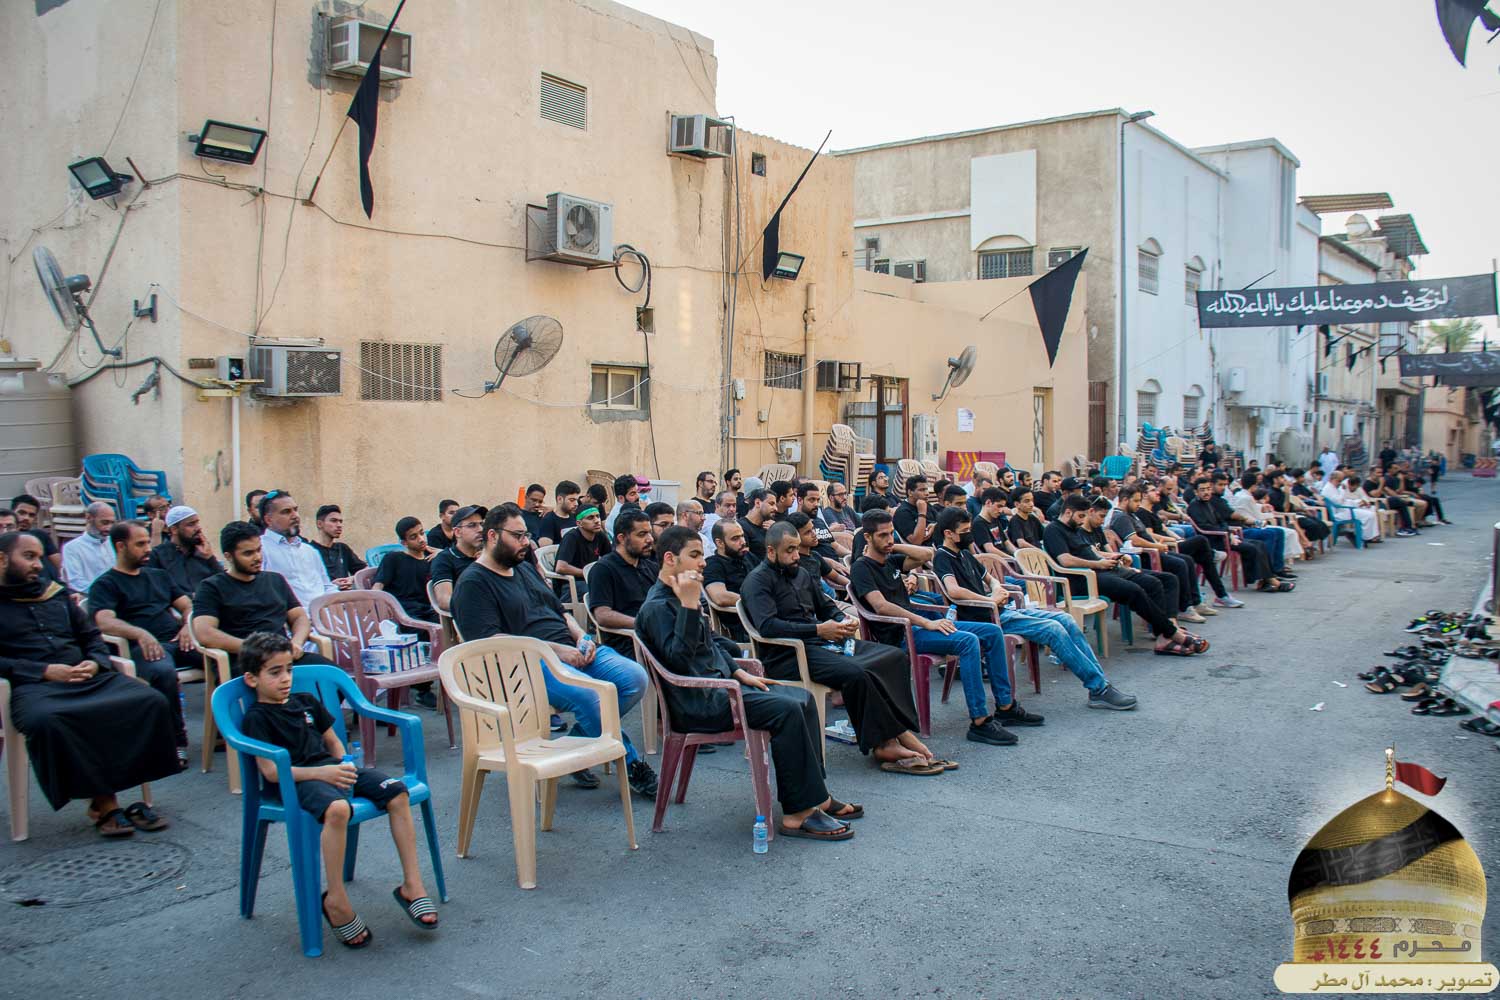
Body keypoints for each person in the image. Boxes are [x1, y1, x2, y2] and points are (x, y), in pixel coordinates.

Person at [637, 527, 857, 840]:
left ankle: (816, 796)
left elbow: (711, 642)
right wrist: (688, 607)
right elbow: (680, 662)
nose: (703, 562)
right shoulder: (658, 607)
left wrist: (737, 671)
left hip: (722, 687)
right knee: (786, 711)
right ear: (670, 559)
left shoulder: (681, 593)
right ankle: (797, 814)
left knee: (804, 699)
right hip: (699, 702)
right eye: (695, 555)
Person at [237, 632, 438, 945]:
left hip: (331, 769)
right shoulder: (257, 718)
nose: (285, 678)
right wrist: (325, 773)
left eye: (288, 669)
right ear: (252, 679)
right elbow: (271, 772)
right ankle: (336, 899)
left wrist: (343, 765)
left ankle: (412, 885)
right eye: (275, 673)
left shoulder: (305, 701)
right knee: (338, 809)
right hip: (297, 782)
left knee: (397, 791)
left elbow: (332, 740)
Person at [450, 504, 658, 797]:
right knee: (592, 696)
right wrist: (556, 652)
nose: (526, 542)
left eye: (526, 535)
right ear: (493, 536)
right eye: (518, 536)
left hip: (572, 649)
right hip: (525, 667)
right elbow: (491, 643)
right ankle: (632, 763)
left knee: (634, 678)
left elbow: (559, 610)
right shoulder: (473, 583)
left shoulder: (523, 569)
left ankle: (579, 742)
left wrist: (581, 635)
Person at [0, 530, 178, 835]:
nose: (38, 565)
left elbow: (92, 636)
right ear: (2, 560)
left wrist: (95, 661)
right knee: (48, 721)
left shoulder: (55, 594)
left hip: (88, 676)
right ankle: (104, 802)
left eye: (39, 557)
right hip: (35, 687)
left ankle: (121, 792)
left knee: (149, 701)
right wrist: (44, 671)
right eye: (28, 557)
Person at [741, 522, 944, 775]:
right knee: (857, 673)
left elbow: (825, 607)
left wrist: (842, 620)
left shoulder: (801, 573)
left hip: (821, 643)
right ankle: (886, 743)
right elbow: (768, 627)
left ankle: (897, 732)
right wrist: (818, 630)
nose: (795, 555)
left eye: (796, 548)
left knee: (892, 657)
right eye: (789, 550)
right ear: (771, 551)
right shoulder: (757, 581)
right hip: (788, 654)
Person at [853, 509, 1042, 747]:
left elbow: (926, 554)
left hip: (918, 627)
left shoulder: (891, 561)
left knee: (992, 632)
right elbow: (881, 607)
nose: (889, 539)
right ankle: (980, 722)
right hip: (901, 635)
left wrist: (893, 546)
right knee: (968, 641)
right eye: (883, 535)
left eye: (891, 533)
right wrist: (925, 622)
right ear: (867, 537)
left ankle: (1006, 707)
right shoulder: (861, 567)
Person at [930, 507, 1136, 710]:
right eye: (965, 531)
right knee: (1053, 630)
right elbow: (954, 590)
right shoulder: (942, 557)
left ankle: (1100, 686)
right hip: (985, 619)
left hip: (1002, 610)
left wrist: (997, 589)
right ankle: (1098, 688)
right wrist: (990, 599)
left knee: (1066, 619)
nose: (969, 535)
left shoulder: (965, 554)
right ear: (948, 533)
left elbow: (990, 579)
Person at [87, 519, 195, 766]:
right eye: (140, 544)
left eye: (148, 542)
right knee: (164, 674)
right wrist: (140, 633)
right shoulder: (106, 584)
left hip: (177, 641)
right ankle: (176, 742)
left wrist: (188, 625)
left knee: (228, 657)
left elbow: (187, 604)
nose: (148, 549)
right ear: (120, 546)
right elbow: (103, 621)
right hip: (141, 648)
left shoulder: (158, 576)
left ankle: (225, 731)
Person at [1044, 495, 1208, 655]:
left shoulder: (1075, 529)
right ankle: (1173, 634)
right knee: (1134, 590)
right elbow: (1065, 560)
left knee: (1156, 582)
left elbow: (1092, 552)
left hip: (1103, 570)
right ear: (1068, 512)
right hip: (1084, 579)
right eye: (1080, 516)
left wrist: (1113, 557)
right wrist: (1099, 564)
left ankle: (1164, 635)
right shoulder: (1053, 530)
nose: (1082, 521)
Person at [193, 521, 336, 675]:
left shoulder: (275, 580)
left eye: (259, 550)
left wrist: (296, 643)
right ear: (229, 556)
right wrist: (253, 649)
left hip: (284, 657)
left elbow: (299, 618)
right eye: (248, 553)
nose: (257, 557)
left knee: (335, 676)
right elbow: (205, 633)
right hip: (245, 662)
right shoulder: (211, 587)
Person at [1108, 487, 1205, 622]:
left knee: (1187, 560)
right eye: (1136, 501)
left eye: (1139, 500)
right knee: (1180, 564)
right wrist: (1156, 546)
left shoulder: (1131, 514)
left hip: (1151, 552)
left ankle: (1193, 602)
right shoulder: (1121, 517)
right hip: (1144, 556)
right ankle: (1184, 608)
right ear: (1125, 500)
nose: (1139, 504)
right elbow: (1134, 540)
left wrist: (1160, 543)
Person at [1190, 478, 1290, 591]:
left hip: (1224, 536)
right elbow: (1205, 527)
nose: (1206, 492)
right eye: (1202, 490)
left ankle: (1266, 580)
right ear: (1196, 492)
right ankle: (1270, 581)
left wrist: (1230, 534)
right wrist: (1227, 535)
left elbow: (1221, 522)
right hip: (1213, 540)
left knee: (1259, 544)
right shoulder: (1194, 507)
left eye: (1208, 489)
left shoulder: (1209, 504)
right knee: (1251, 547)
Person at [587, 509, 659, 657]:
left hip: (659, 635)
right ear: (621, 538)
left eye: (650, 533)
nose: (650, 539)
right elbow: (602, 615)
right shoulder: (604, 569)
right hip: (629, 642)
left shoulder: (650, 566)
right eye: (642, 534)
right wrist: (642, 624)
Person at [258, 491, 337, 609]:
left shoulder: (310, 551)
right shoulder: (260, 549)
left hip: (325, 613)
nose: (295, 516)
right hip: (290, 617)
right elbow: (260, 593)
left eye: (295, 510)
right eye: (286, 512)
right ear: (269, 520)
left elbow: (327, 586)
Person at [373, 516, 438, 627]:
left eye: (422, 533)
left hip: (428, 611)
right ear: (404, 543)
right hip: (403, 614)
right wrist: (381, 612)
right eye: (414, 537)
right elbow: (377, 588)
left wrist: (441, 554)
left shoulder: (432, 558)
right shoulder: (394, 558)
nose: (421, 539)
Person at [151, 506, 223, 596]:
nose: (198, 528)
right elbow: (157, 591)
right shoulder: (159, 555)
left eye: (197, 523)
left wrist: (210, 558)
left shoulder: (202, 552)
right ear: (174, 529)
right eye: (191, 524)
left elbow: (224, 584)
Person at [430, 504, 485, 611]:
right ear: (458, 532)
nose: (480, 529)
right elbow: (444, 600)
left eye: (481, 524)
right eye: (472, 525)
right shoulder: (444, 560)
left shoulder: (488, 555)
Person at [703, 518, 752, 641]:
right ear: (720, 543)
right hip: (745, 626)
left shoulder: (747, 557)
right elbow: (720, 597)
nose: (743, 542)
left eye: (742, 536)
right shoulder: (713, 565)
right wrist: (757, 601)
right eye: (735, 538)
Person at [554, 504, 609, 599]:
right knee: (600, 590)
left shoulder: (600, 535)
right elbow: (561, 567)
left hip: (589, 581)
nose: (597, 520)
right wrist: (589, 573)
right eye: (590, 518)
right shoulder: (571, 537)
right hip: (569, 585)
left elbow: (610, 558)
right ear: (579, 523)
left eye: (598, 516)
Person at [61, 501, 117, 592]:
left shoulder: (114, 542)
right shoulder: (72, 548)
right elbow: (76, 582)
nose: (109, 528)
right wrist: (105, 593)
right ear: (89, 518)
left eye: (112, 523)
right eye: (105, 522)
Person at [308, 504, 366, 590]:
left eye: (340, 521)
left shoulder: (342, 548)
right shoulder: (309, 551)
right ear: (319, 524)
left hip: (346, 595)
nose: (339, 525)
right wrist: (331, 586)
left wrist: (352, 578)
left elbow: (365, 570)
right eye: (334, 521)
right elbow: (306, 582)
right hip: (323, 595)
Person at [11, 493, 63, 581]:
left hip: (51, 584)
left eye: (31, 515)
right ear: (12, 513)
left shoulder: (40, 535)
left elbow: (59, 566)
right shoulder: (6, 540)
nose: (26, 518)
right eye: (21, 513)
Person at [736, 488, 775, 567]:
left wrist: (776, 530)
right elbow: (746, 560)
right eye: (771, 504)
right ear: (757, 503)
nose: (775, 508)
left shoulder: (769, 526)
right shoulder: (741, 527)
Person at [537, 481, 581, 547]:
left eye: (576, 500)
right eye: (572, 500)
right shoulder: (548, 520)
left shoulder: (576, 517)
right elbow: (545, 549)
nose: (576, 504)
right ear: (560, 499)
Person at [892, 476, 934, 545]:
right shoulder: (902, 512)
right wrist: (922, 513)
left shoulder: (926, 504)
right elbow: (916, 541)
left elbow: (942, 523)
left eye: (926, 489)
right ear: (910, 492)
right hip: (923, 549)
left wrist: (935, 526)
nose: (927, 493)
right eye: (922, 490)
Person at [603, 475, 641, 539]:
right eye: (632, 494)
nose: (638, 496)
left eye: (637, 492)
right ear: (621, 498)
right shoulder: (621, 515)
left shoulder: (629, 510)